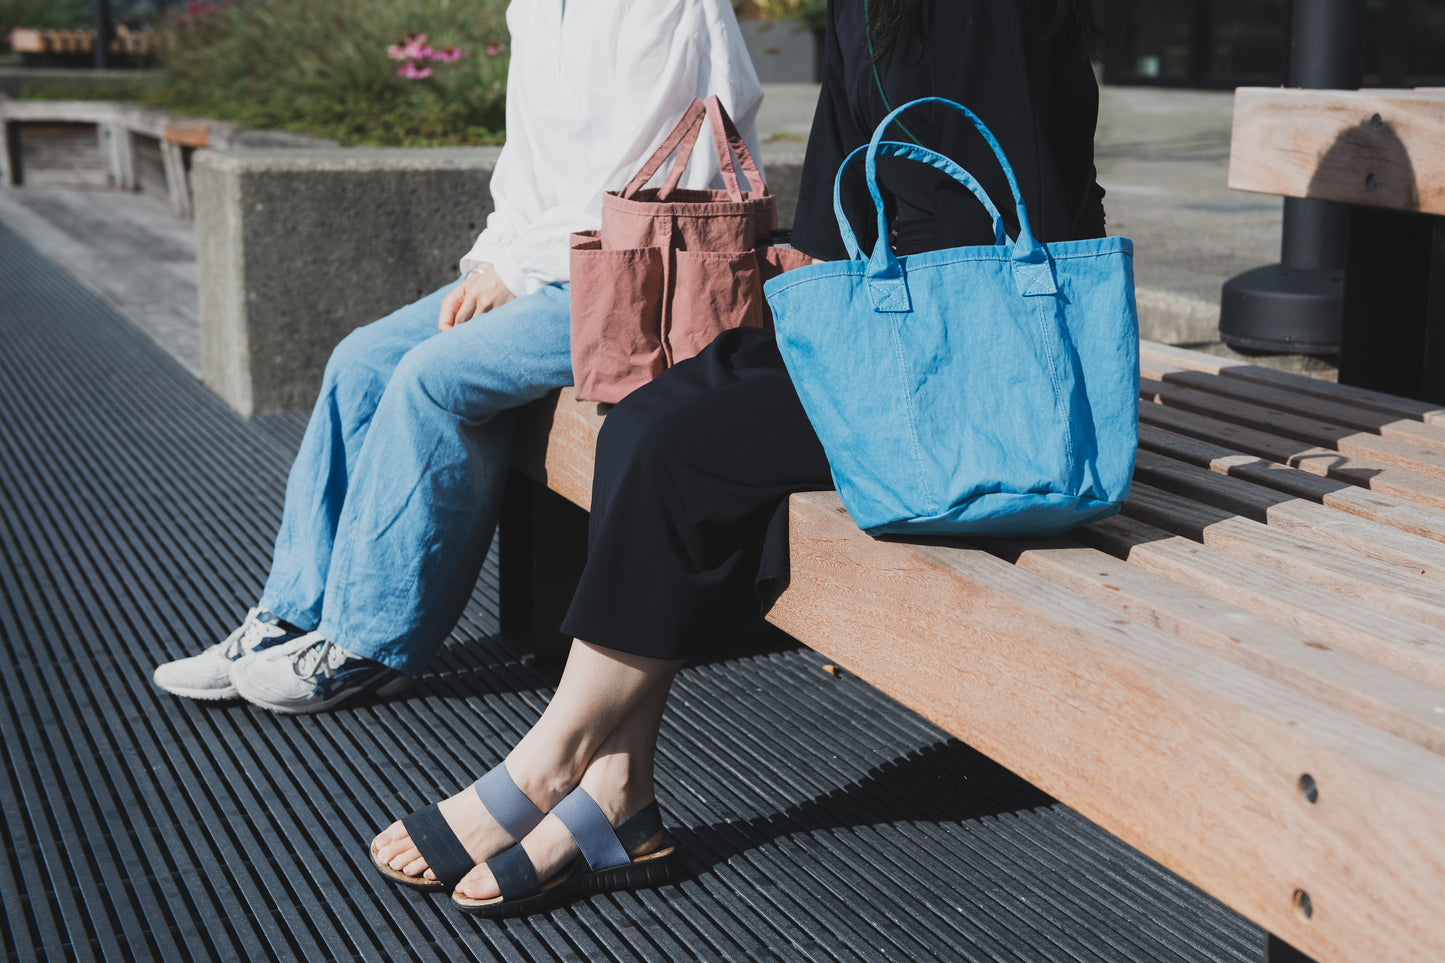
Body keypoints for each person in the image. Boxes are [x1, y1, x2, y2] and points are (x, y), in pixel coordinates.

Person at [370, 0, 1104, 915]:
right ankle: (619, 794)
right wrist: (812, 288)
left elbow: (1006, 179)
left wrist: (858, 304)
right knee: (643, 420)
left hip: (977, 363)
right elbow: (849, 164)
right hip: (881, 319)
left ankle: (548, 760)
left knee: (684, 451)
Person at [150, 0, 764, 714]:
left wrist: (520, 269)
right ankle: (294, 611)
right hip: (545, 267)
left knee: (433, 379)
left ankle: (373, 646)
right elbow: (524, 168)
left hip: (645, 275)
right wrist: (494, 260)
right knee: (362, 360)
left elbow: (653, 167)